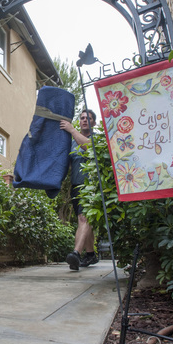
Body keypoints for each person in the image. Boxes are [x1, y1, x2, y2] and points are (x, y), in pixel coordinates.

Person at [60, 109, 99, 271]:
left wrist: (71, 129)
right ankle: (90, 254)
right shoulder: (73, 142)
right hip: (76, 186)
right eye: (82, 118)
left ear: (94, 123)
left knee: (84, 218)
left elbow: (89, 148)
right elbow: (68, 164)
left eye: (88, 118)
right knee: (83, 221)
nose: (84, 120)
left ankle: (76, 253)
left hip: (91, 185)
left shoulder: (97, 139)